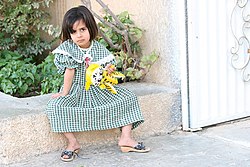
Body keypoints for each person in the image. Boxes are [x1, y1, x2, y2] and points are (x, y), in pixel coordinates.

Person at [46, 5, 150, 162]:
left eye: (82, 29)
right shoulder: (68, 49)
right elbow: (70, 72)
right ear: (69, 34)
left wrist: (108, 70)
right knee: (55, 107)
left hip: (98, 89)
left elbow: (107, 71)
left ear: (90, 28)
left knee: (128, 97)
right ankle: (72, 143)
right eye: (73, 32)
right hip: (76, 90)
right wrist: (64, 93)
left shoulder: (99, 49)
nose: (79, 35)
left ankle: (126, 138)